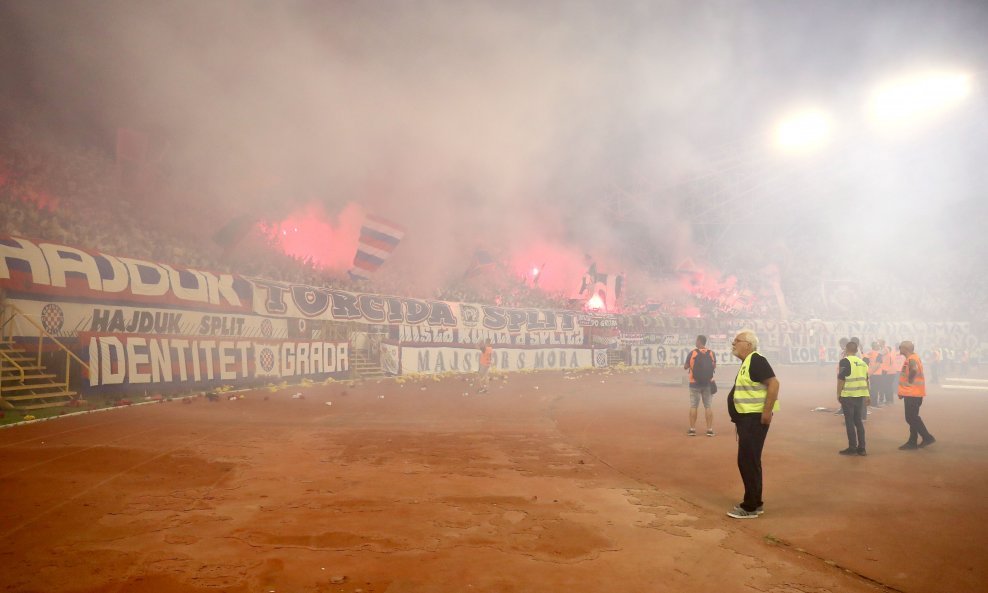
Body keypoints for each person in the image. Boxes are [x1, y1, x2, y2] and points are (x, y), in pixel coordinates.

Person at [726, 329, 779, 519]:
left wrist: (766, 412)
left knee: (748, 461)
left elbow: (774, 384)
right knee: (750, 460)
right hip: (747, 419)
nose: (733, 344)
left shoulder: (756, 360)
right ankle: (755, 502)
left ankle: (749, 507)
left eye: (736, 341)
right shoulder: (747, 363)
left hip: (753, 419)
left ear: (747, 344)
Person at [897, 341, 935, 450]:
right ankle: (912, 441)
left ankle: (927, 437)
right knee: (913, 417)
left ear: (905, 348)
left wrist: (909, 380)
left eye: (900, 347)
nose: (899, 349)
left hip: (912, 393)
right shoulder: (914, 357)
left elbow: (913, 369)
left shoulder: (911, 359)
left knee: (910, 418)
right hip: (915, 393)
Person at [837, 341, 870, 455]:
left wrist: (838, 394)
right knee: (858, 421)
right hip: (860, 395)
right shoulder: (863, 363)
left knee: (849, 421)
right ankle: (862, 448)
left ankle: (852, 447)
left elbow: (841, 379)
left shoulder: (845, 361)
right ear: (856, 351)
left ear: (846, 349)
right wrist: (868, 395)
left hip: (848, 396)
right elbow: (866, 380)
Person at [683, 335, 717, 436]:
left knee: (694, 406)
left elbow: (685, 367)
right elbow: (714, 366)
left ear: (698, 341)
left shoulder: (692, 353)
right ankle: (709, 430)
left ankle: (692, 429)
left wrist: (692, 365)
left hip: (694, 383)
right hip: (708, 383)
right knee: (708, 406)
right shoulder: (711, 353)